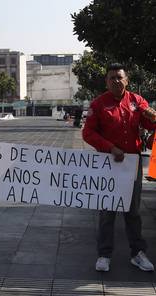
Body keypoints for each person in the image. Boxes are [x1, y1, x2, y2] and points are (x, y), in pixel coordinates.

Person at [83, 63, 156, 272]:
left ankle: (138, 253)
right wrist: (110, 148)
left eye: (119, 77)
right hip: (108, 165)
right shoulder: (98, 105)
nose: (116, 81)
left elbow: (150, 125)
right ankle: (104, 254)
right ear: (106, 82)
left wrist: (153, 117)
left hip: (132, 165)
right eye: (112, 78)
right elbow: (88, 133)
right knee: (107, 211)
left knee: (133, 211)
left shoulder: (137, 101)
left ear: (127, 80)